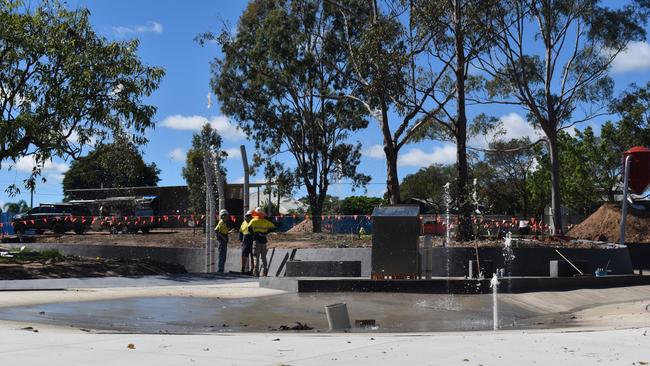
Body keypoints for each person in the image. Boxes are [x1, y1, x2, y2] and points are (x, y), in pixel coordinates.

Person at [248, 207, 276, 277]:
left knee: (256, 257)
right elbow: (274, 227)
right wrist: (266, 232)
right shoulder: (266, 222)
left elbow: (249, 228)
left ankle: (256, 272)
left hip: (256, 241)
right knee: (263, 257)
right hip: (264, 241)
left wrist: (254, 234)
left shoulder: (253, 221)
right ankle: (265, 272)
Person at [214, 209, 230, 273]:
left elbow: (224, 231)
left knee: (223, 256)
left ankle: (221, 269)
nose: (227, 217)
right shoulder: (221, 222)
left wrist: (229, 232)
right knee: (222, 256)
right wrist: (223, 238)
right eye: (226, 216)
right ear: (223, 216)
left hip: (224, 241)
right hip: (222, 242)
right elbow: (216, 231)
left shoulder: (223, 223)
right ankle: (220, 269)